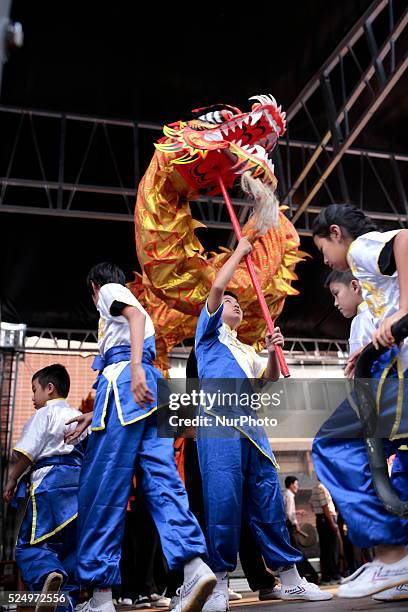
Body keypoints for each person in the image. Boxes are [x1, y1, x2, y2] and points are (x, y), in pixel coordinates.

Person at [66, 263, 215, 612]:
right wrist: (94, 413)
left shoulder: (109, 293)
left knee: (102, 489)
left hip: (128, 385)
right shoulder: (128, 312)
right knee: (162, 482)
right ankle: (195, 567)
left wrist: (133, 368)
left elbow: (132, 316)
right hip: (148, 392)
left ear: (93, 286)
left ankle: (100, 596)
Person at [194, 237, 333, 608]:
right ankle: (219, 583)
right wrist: (238, 254)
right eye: (228, 303)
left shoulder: (245, 350)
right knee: (222, 503)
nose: (234, 305)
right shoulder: (207, 338)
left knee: (267, 500)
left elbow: (268, 378)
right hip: (219, 428)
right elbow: (218, 286)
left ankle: (289, 577)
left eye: (239, 304)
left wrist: (272, 352)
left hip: (253, 431)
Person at [312, 204, 408, 599]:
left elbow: (404, 237)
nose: (328, 260)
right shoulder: (371, 286)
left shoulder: (359, 248)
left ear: (336, 233)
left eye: (322, 251)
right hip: (392, 366)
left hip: (398, 376)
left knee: (333, 443)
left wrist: (405, 310)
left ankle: (391, 554)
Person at [3, 364, 87, 612]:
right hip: (79, 486)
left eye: (34, 390)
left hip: (50, 482)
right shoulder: (79, 416)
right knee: (69, 550)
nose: (32, 398)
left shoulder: (44, 415)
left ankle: (47, 574)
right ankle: (65, 604)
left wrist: (11, 479)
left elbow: (28, 452)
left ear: (49, 389)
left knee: (30, 546)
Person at [325, 269, 375, 378]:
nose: (335, 303)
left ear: (355, 286)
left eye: (336, 294)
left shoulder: (360, 320)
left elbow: (356, 372)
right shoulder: (383, 313)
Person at [283, 477, 318, 584]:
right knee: (297, 552)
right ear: (291, 485)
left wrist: (297, 514)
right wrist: (296, 522)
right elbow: (289, 514)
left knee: (295, 552)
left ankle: (304, 576)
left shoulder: (287, 494)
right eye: (296, 484)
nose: (297, 487)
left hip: (289, 526)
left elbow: (289, 512)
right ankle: (310, 576)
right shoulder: (289, 495)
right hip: (289, 526)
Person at [309, 482, 341, 585]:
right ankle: (334, 576)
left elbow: (311, 504)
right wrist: (332, 522)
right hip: (327, 520)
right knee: (332, 548)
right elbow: (325, 506)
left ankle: (326, 577)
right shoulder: (322, 488)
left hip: (321, 519)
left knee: (326, 549)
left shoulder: (315, 487)